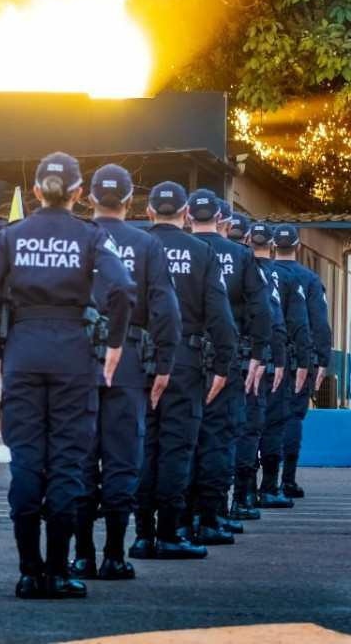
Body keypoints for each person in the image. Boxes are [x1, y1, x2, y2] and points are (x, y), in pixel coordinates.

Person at [0, 152, 134, 600]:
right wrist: (114, 345)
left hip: (22, 352)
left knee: (25, 459)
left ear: (38, 191)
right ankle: (59, 571)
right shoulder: (92, 237)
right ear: (79, 193)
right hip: (73, 357)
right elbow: (120, 288)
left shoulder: (9, 237)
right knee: (66, 463)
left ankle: (28, 571)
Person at [72, 165, 180, 582]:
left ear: (90, 198)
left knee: (79, 457)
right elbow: (165, 309)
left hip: (77, 362)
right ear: (132, 200)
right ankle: (115, 555)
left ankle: (81, 556)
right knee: (123, 458)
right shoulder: (147, 244)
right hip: (131, 362)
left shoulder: (74, 240)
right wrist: (165, 365)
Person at [129, 182, 236, 562]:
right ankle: (171, 531)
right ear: (186, 214)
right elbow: (220, 316)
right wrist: (224, 364)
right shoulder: (202, 251)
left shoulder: (134, 247)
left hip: (137, 360)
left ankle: (141, 534)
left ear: (149, 212)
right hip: (185, 362)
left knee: (144, 445)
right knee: (178, 447)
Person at [184, 190, 269, 545]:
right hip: (226, 357)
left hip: (179, 358)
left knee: (179, 440)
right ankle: (211, 516)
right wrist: (258, 356)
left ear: (189, 215)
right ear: (223, 221)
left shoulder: (177, 251)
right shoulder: (241, 256)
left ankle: (178, 520)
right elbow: (260, 308)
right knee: (219, 439)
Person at [248, 223, 308, 508]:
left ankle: (241, 495)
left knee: (239, 427)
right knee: (274, 424)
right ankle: (272, 486)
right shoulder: (281, 276)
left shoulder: (234, 266)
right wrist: (301, 361)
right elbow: (293, 323)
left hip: (229, 361)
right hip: (270, 361)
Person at [271, 223, 331, 499]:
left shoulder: (263, 273)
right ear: (297, 246)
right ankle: (288, 480)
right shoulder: (309, 279)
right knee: (293, 417)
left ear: (274, 245)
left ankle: (261, 485)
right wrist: (321, 360)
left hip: (266, 358)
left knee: (263, 420)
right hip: (297, 359)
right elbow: (318, 322)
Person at [232, 222, 286, 520]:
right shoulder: (259, 270)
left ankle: (198, 514)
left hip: (192, 359)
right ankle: (245, 496)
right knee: (251, 427)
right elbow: (270, 316)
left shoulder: (207, 254)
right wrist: (271, 357)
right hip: (246, 359)